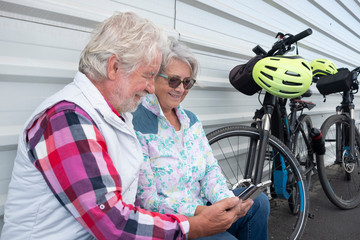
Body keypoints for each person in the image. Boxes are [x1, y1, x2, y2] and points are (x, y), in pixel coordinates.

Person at [0, 12, 249, 240]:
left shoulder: (114, 114)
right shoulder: (65, 119)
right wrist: (193, 225)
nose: (152, 88)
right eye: (148, 75)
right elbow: (113, 224)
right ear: (114, 67)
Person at [132, 37, 270, 239]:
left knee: (259, 204)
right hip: (172, 224)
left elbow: (210, 170)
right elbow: (147, 200)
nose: (180, 88)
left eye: (187, 82)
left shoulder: (191, 120)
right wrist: (201, 213)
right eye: (173, 80)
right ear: (153, 77)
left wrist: (226, 203)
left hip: (204, 209)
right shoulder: (137, 123)